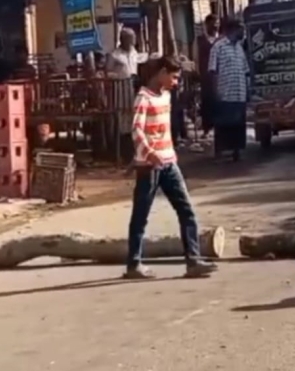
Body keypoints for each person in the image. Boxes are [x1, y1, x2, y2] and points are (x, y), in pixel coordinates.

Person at [124, 55, 215, 280]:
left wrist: (166, 155)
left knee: (186, 211)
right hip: (149, 165)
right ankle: (133, 264)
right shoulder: (143, 98)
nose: (175, 83)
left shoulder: (166, 96)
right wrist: (149, 153)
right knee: (141, 216)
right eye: (173, 77)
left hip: (169, 162)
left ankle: (193, 260)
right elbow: (136, 131)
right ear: (162, 73)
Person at [208, 19, 250, 161]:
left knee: (238, 125)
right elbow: (213, 71)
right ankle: (220, 152)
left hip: (239, 94)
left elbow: (245, 71)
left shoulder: (239, 48)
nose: (243, 33)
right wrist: (216, 92)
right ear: (233, 30)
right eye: (241, 30)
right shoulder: (218, 47)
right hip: (225, 92)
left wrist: (247, 92)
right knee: (223, 124)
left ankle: (236, 152)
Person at [107, 28, 140, 163]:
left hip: (132, 91)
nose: (133, 41)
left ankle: (132, 153)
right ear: (123, 39)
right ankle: (121, 153)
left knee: (134, 121)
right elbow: (108, 73)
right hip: (120, 92)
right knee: (122, 123)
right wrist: (122, 76)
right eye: (130, 38)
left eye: (133, 38)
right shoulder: (114, 55)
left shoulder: (134, 53)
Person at [197, 14, 220, 137]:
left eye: (217, 23)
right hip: (206, 76)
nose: (215, 26)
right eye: (213, 23)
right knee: (207, 101)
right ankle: (207, 128)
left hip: (219, 75)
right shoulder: (201, 40)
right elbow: (196, 57)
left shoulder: (221, 40)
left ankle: (219, 126)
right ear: (207, 25)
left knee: (219, 101)